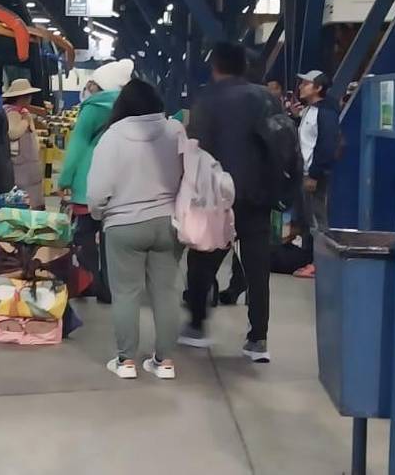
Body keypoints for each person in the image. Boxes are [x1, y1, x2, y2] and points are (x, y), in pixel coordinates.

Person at [181, 41, 279, 363]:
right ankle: (257, 339)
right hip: (256, 197)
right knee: (257, 269)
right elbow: (281, 145)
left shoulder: (207, 100)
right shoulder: (267, 98)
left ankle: (197, 326)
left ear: (216, 67)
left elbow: (195, 150)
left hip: (216, 198)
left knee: (202, 260)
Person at [87, 80, 184, 381]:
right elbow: (188, 174)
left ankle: (126, 361)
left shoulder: (113, 137)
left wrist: (98, 213)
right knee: (167, 294)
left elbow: (98, 189)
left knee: (126, 294)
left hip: (123, 225)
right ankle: (164, 362)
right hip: (169, 223)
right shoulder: (174, 130)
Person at [57, 59, 135, 302]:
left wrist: (65, 178)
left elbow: (78, 144)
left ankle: (93, 281)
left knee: (84, 234)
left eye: (91, 83)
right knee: (110, 237)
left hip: (89, 179)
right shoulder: (130, 105)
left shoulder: (93, 107)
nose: (88, 87)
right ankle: (111, 285)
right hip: (121, 178)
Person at [290, 70, 340, 278]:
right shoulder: (309, 111)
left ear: (319, 88)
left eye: (306, 83)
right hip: (304, 173)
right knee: (311, 221)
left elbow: (325, 146)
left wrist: (314, 174)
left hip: (313, 175)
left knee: (319, 222)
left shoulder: (325, 113)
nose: (301, 87)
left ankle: (322, 263)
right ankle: (314, 259)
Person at [3, 78, 45, 210]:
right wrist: (26, 121)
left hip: (28, 167)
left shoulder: (22, 112)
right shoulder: (13, 113)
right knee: (26, 202)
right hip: (21, 167)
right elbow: (13, 133)